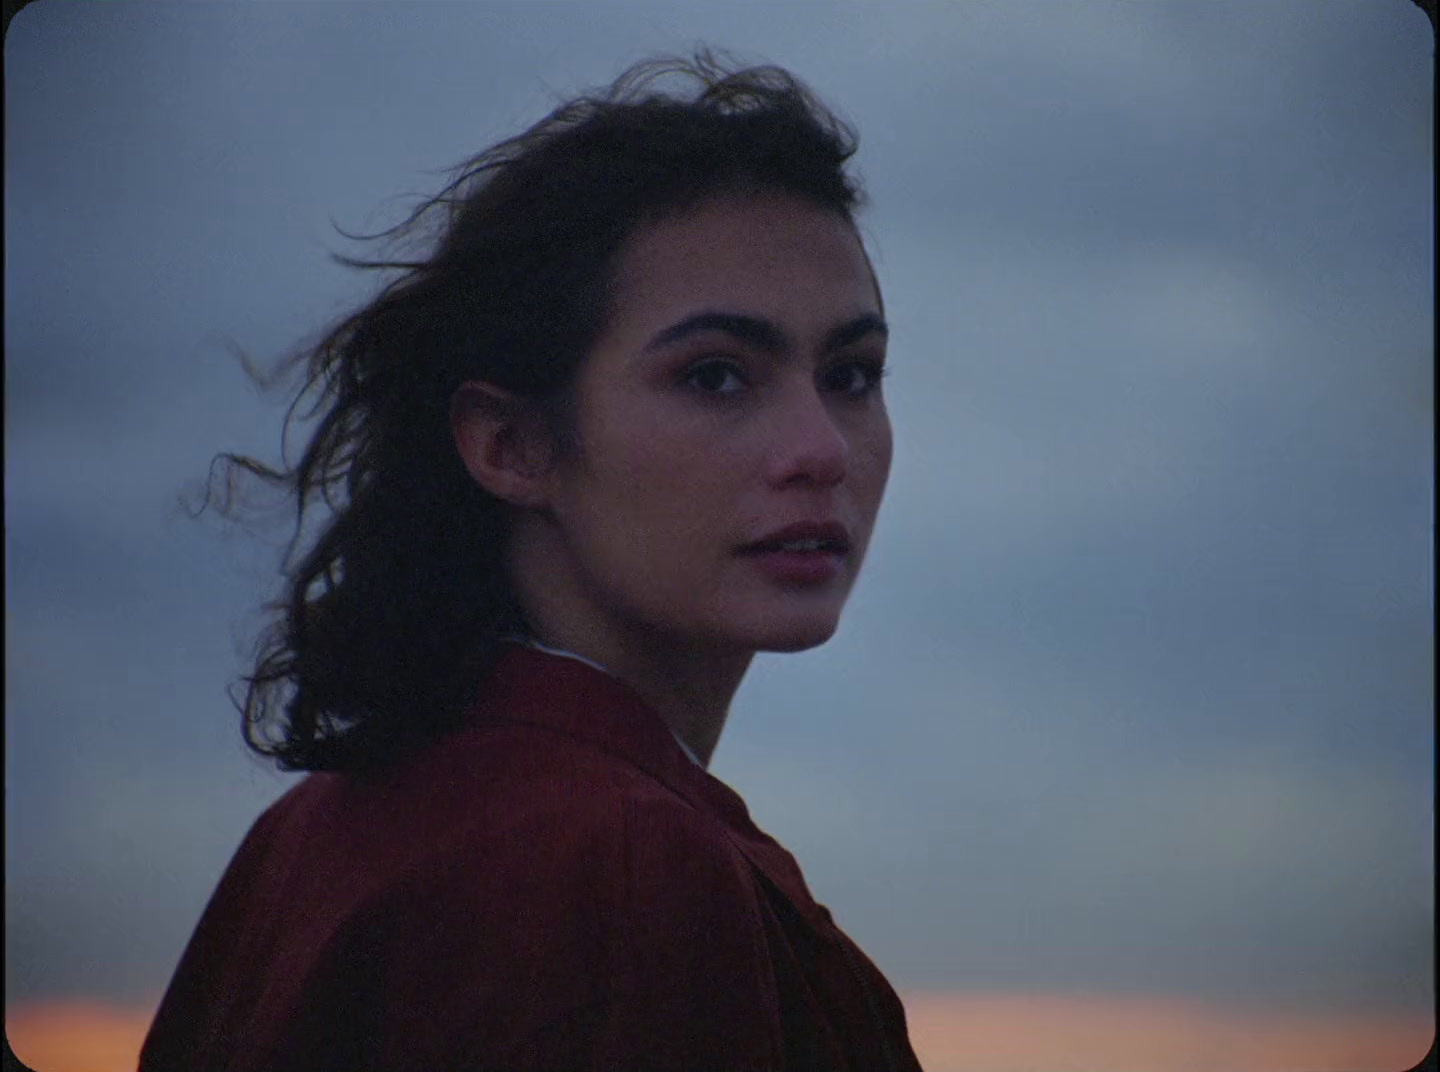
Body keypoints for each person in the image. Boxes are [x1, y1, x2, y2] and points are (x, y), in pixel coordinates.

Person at [140, 52, 920, 1072]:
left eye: (851, 373)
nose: (820, 448)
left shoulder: (321, 831)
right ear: (513, 445)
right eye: (718, 375)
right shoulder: (613, 865)